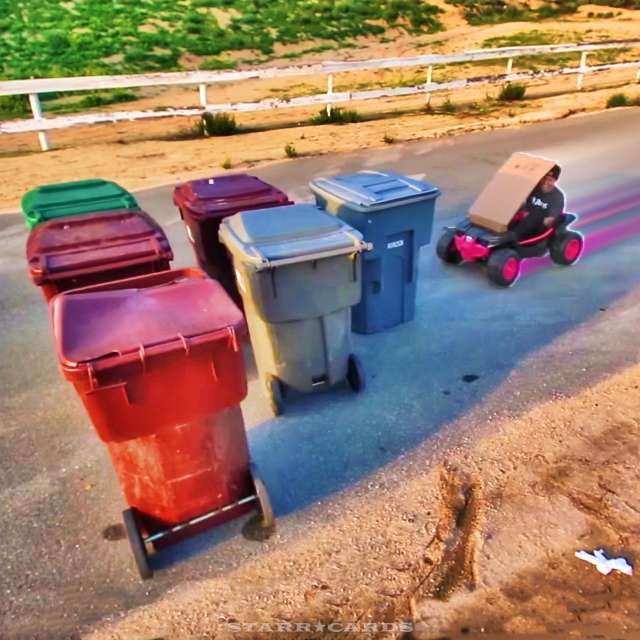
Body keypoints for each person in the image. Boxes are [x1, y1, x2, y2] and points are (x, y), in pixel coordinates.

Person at [509, 165, 565, 240]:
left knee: (535, 216)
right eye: (544, 178)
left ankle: (511, 238)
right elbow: (524, 202)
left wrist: (534, 219)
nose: (545, 182)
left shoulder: (558, 197)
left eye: (550, 180)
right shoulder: (534, 188)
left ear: (555, 180)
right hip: (524, 219)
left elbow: (550, 219)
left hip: (539, 227)